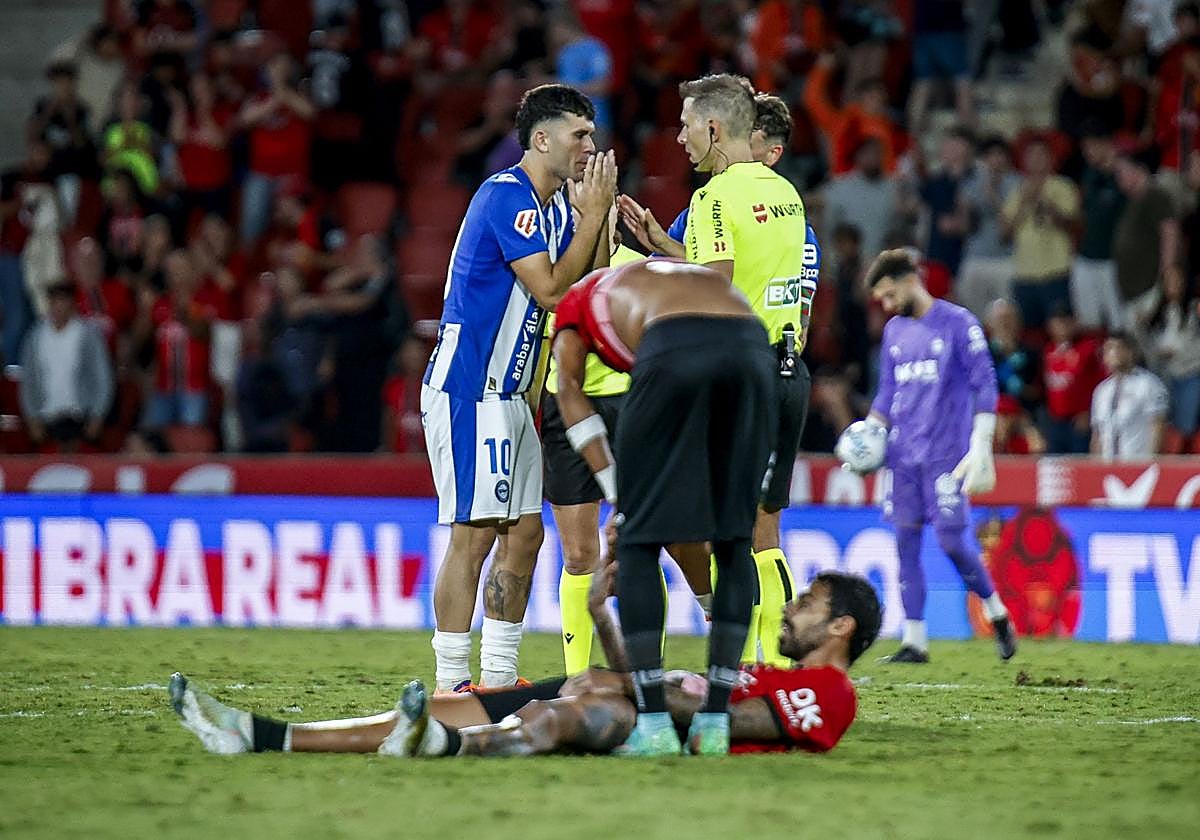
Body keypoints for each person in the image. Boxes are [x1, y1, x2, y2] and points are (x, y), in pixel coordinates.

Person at [168, 570, 882, 758]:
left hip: (627, 719)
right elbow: (685, 689)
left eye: (808, 605)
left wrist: (643, 693)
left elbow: (742, 720)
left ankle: (442, 749)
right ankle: (262, 737)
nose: (790, 611)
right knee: (431, 710)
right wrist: (605, 620)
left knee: (551, 716)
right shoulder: (772, 668)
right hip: (617, 693)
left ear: (840, 627)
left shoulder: (830, 693)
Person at [421, 84, 616, 693]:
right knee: (474, 534)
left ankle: (499, 677)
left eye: (592, 134)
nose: (590, 145)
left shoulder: (559, 210)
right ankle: (452, 680)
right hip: (469, 388)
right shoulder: (507, 197)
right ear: (541, 139)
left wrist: (602, 216)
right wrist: (590, 218)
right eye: (578, 135)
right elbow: (554, 291)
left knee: (526, 533)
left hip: (513, 398)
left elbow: (592, 282)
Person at [618, 91, 821, 668]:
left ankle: (668, 665)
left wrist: (642, 273)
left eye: (685, 127)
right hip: (789, 369)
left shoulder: (712, 196)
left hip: (737, 373)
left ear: (713, 128)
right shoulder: (786, 194)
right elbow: (753, 274)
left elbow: (716, 285)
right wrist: (666, 245)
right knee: (766, 529)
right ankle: (777, 669)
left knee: (702, 527)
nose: (679, 139)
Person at [549, 256, 775, 755]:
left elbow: (568, 389)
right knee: (735, 538)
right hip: (754, 348)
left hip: (673, 344)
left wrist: (618, 493)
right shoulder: (666, 277)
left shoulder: (576, 302)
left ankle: (653, 724)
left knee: (638, 541)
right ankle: (715, 720)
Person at [838, 249, 1016, 664]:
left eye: (886, 294)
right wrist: (866, 433)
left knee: (953, 541)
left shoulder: (958, 323)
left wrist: (982, 439)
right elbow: (886, 394)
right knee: (905, 543)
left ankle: (997, 612)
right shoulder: (894, 332)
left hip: (946, 456)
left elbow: (984, 382)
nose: (884, 305)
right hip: (902, 458)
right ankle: (915, 640)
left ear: (906, 280)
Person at [18, 280, 114, 451]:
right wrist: (32, 417)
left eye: (63, 301)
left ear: (71, 303)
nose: (58, 306)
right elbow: (29, 381)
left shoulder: (88, 335)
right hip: (47, 416)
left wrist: (97, 416)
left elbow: (102, 377)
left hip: (80, 415)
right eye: (54, 301)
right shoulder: (36, 337)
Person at [1001, 137, 1080, 330]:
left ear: (1050, 158)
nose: (1035, 160)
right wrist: (1023, 203)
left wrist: (1044, 201)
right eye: (1031, 156)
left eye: (1040, 155)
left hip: (1056, 272)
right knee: (1026, 332)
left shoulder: (1063, 186)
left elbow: (1072, 225)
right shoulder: (1018, 190)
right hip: (1024, 275)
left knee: (1060, 330)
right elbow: (1005, 235)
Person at [1091, 333, 1169, 461]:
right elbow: (1097, 434)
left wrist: (1152, 460)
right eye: (1109, 349)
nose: (1113, 353)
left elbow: (1158, 425)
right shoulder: (1101, 390)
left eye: (1119, 348)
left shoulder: (1148, 384)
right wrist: (1095, 464)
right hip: (1107, 465)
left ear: (1131, 352)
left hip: (1136, 463)